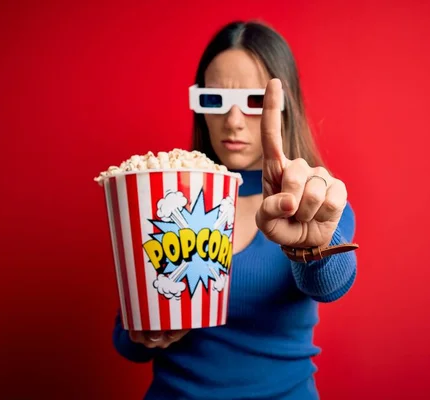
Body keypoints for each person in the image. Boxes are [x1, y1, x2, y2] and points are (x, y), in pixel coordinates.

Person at [113, 20, 358, 400]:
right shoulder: (162, 198)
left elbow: (329, 285)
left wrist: (314, 246)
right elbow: (126, 343)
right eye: (214, 100)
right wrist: (145, 331)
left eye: (255, 101)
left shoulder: (316, 199)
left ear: (284, 106)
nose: (233, 121)